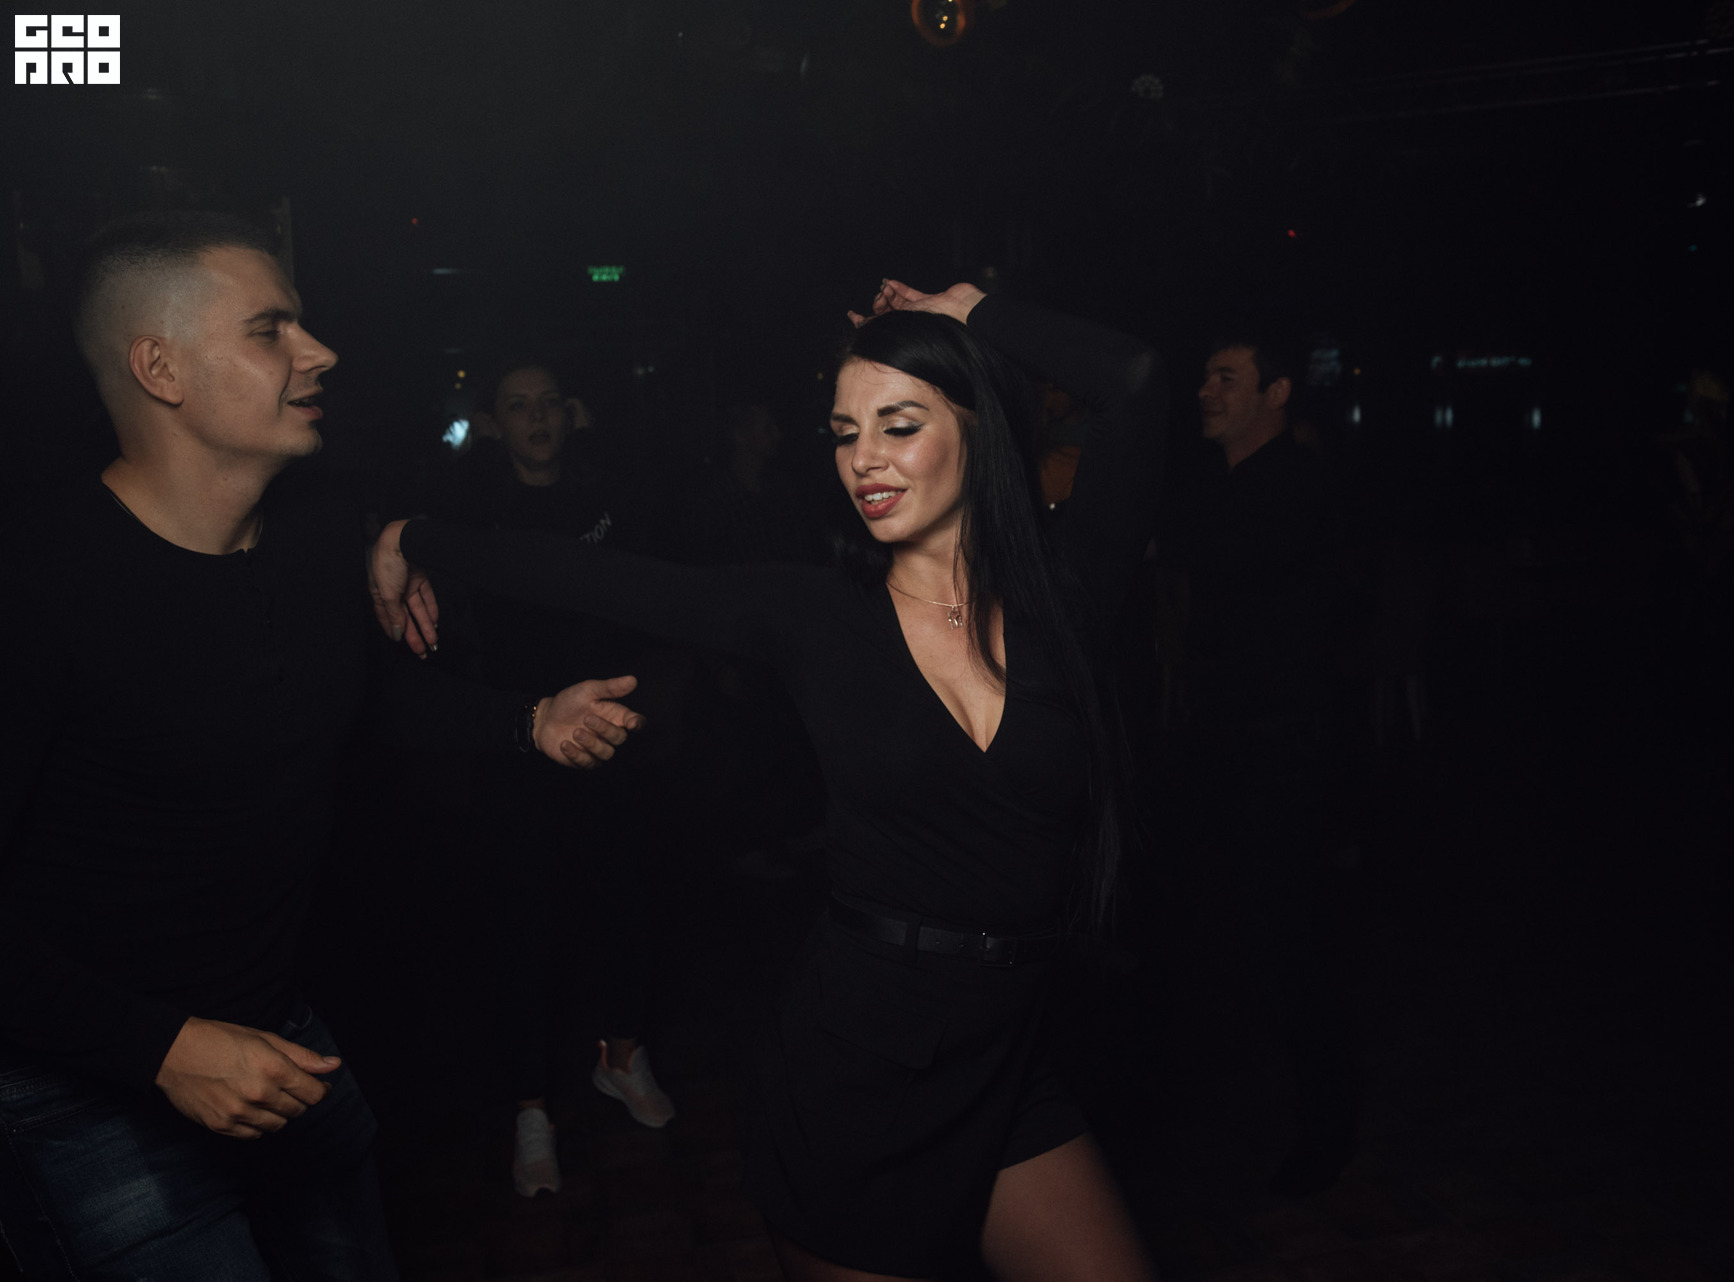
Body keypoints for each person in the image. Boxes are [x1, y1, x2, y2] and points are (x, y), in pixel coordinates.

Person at [371, 279, 1165, 1280]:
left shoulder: (1066, 591)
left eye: (898, 424)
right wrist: (411, 537)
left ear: (977, 428)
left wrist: (970, 312)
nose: (863, 459)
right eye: (843, 433)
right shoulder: (813, 616)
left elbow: (1136, 380)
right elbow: (604, 579)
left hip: (1011, 1058)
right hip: (860, 1065)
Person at [0, 210, 642, 1279]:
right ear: (160, 368)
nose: (320, 351)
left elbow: (361, 695)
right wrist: (159, 1048)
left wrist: (528, 719)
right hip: (88, 1084)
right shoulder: (36, 584)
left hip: (281, 1039)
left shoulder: (305, 535)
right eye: (271, 330)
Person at [421, 358, 680, 1196]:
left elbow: (653, 585)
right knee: (523, 929)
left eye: (549, 404)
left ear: (572, 415)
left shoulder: (611, 500)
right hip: (516, 752)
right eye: (517, 405)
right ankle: (531, 1111)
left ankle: (622, 1059)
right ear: (494, 422)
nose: (536, 418)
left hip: (609, 744)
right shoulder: (469, 511)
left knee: (628, 904)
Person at [1157, 332, 1364, 1198]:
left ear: (1276, 394)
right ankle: (1222, 1110)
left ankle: (1324, 1129)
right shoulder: (1221, 482)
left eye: (1227, 377)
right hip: (1221, 739)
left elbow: (1222, 564)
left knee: (1286, 938)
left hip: (1281, 746)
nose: (1206, 390)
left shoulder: (1297, 486)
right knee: (1206, 926)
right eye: (1206, 376)